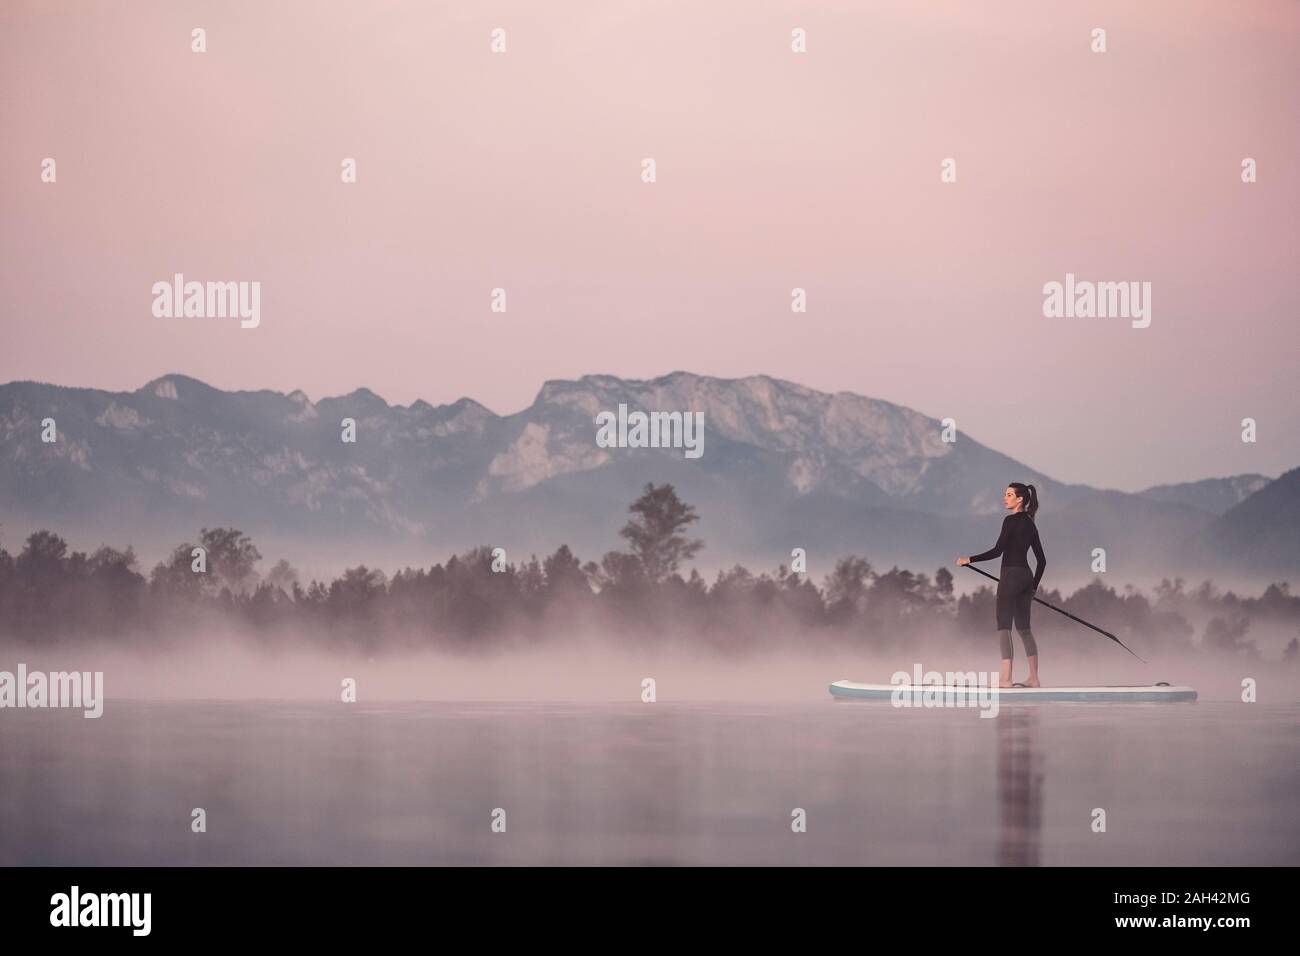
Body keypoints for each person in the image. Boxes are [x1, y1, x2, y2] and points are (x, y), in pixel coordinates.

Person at [957, 483, 1046, 688]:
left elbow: (998, 551)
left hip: (1011, 576)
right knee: (1024, 628)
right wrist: (1033, 588)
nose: (1005, 498)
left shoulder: (1010, 520)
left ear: (1020, 499)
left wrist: (969, 559)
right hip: (1026, 577)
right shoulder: (1031, 525)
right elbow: (1042, 562)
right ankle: (1034, 677)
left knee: (1004, 625)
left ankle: (1006, 678)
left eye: (1008, 495)